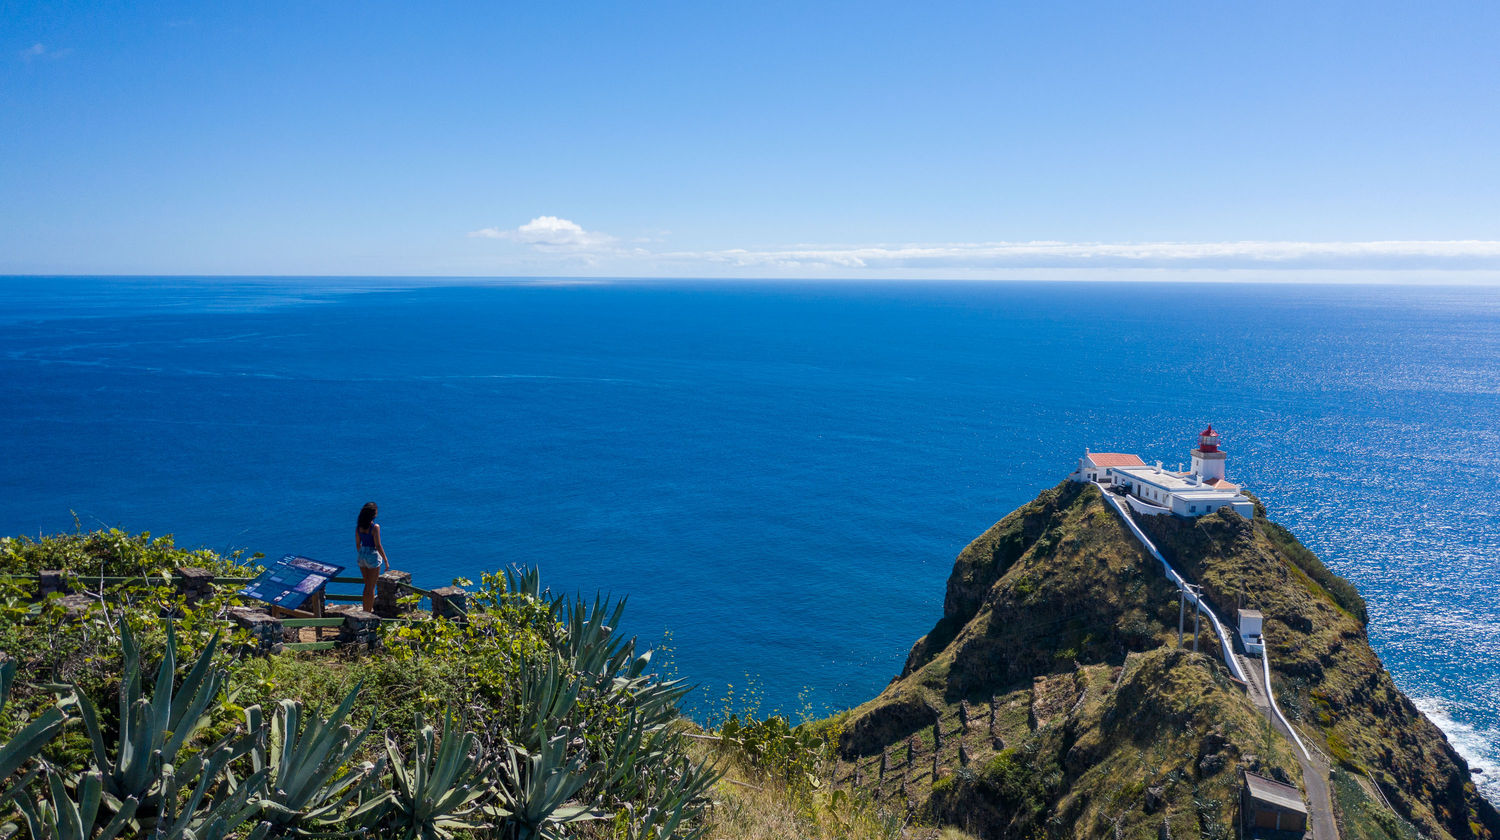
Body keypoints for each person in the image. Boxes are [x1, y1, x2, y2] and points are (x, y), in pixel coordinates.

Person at [355, 502, 390, 611]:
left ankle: (365, 610)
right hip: (372, 556)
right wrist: (385, 560)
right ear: (373, 514)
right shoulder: (375, 527)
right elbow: (378, 545)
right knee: (371, 588)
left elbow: (357, 544)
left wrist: (362, 555)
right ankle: (368, 613)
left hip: (362, 555)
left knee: (367, 585)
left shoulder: (359, 527)